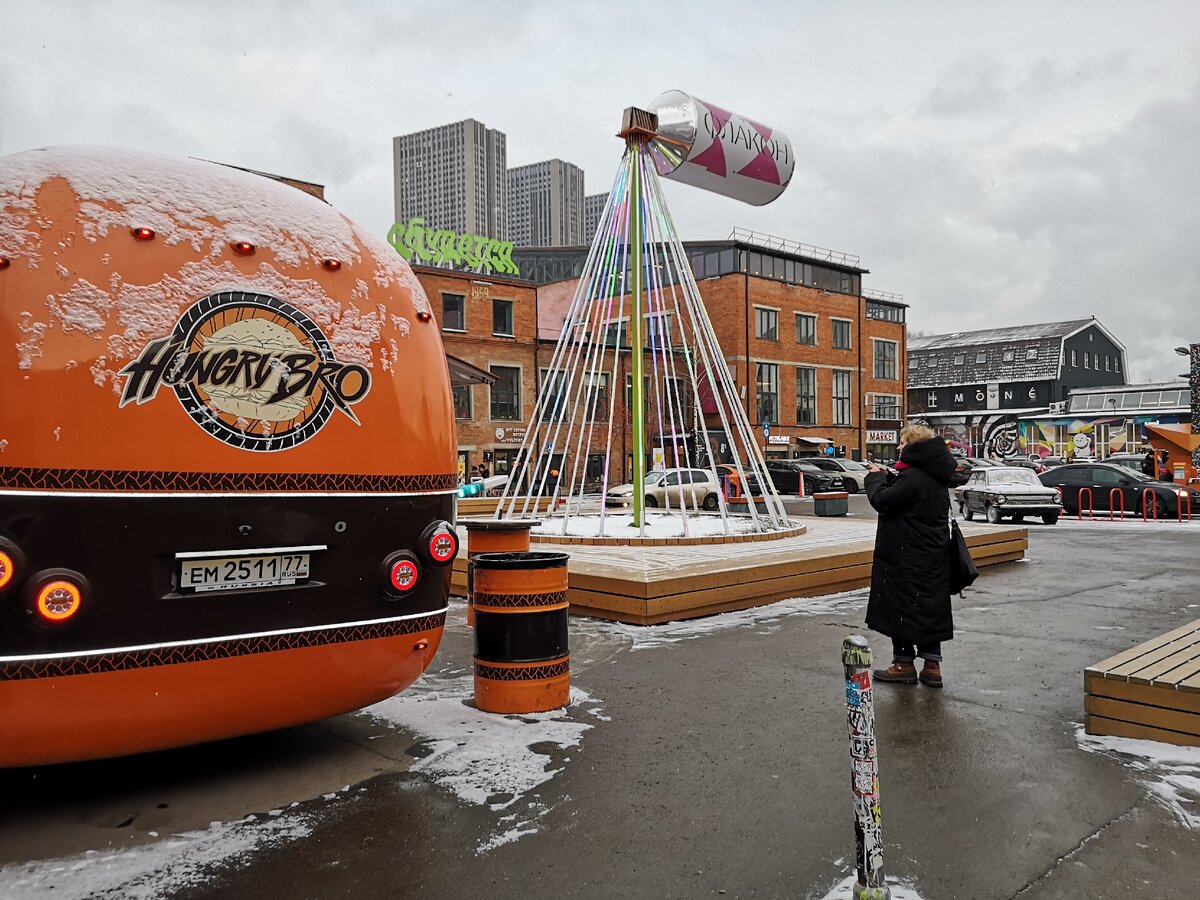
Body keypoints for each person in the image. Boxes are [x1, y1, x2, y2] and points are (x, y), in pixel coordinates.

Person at [863, 424, 960, 689]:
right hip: (932, 557)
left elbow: (884, 501)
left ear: (915, 446)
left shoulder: (914, 477)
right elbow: (911, 499)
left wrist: (874, 478)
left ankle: (903, 663)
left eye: (903, 442)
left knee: (902, 608)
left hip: (905, 558)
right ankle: (932, 666)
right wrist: (891, 477)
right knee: (929, 607)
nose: (898, 446)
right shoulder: (932, 475)